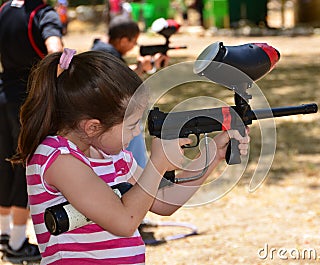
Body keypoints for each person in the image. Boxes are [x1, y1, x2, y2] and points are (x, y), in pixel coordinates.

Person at [11, 49, 249, 264]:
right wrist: (157, 165)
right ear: (92, 127)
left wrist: (212, 155)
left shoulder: (112, 156)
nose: (137, 132)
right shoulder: (58, 158)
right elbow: (125, 221)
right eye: (132, 124)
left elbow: (164, 201)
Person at [0, 0, 63, 262]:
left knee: (4, 164)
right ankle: (16, 242)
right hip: (29, 100)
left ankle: (4, 234)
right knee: (28, 166)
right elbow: (55, 52)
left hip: (3, 93)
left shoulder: (4, 9)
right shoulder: (45, 13)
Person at [92, 15, 169, 167]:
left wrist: (144, 67)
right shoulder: (108, 54)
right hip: (113, 119)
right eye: (133, 42)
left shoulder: (100, 47)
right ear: (123, 40)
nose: (133, 46)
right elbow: (118, 81)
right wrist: (143, 66)